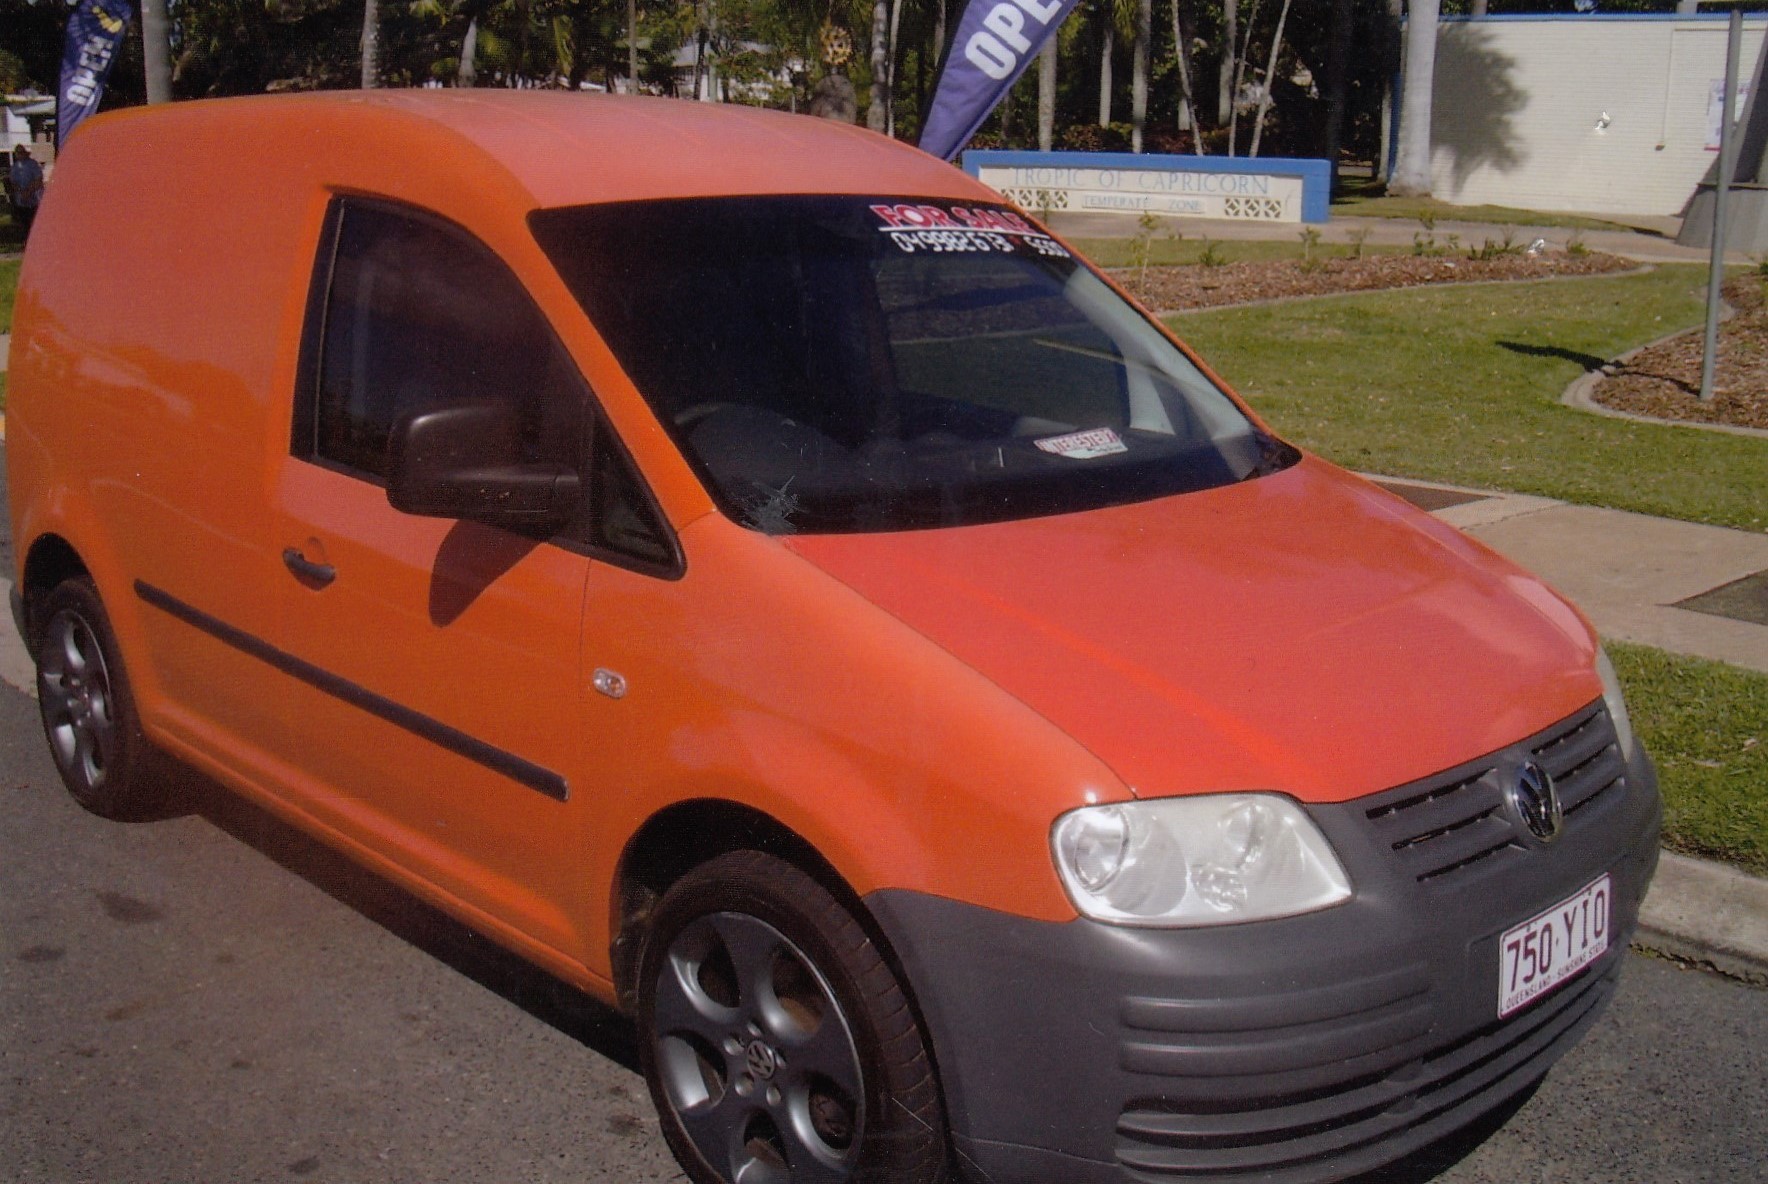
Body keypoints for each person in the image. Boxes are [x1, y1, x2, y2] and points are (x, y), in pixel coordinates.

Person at [8, 145, 45, 238]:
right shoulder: (15, 167)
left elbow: (38, 179)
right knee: (24, 223)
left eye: (21, 152)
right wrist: (21, 192)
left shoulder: (33, 164)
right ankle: (26, 240)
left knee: (35, 222)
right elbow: (13, 182)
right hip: (21, 201)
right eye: (17, 153)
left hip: (34, 199)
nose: (19, 154)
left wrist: (28, 191)